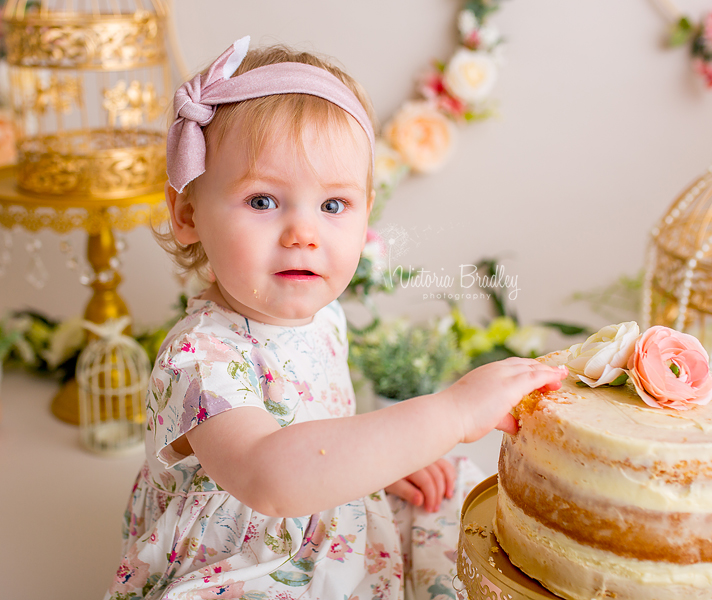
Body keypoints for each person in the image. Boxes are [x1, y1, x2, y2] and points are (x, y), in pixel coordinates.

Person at [104, 36, 567, 600]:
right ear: (186, 214)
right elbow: (271, 476)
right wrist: (452, 411)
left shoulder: (325, 318)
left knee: (457, 512)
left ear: (366, 212)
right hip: (246, 557)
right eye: (263, 201)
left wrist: (373, 464)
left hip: (322, 512)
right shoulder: (200, 359)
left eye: (332, 206)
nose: (304, 233)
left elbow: (315, 436)